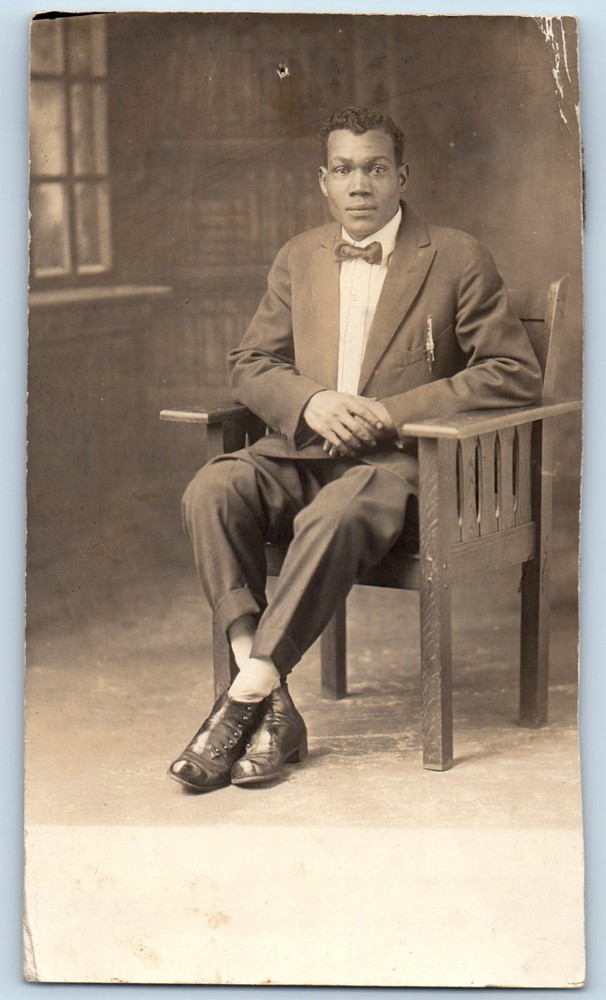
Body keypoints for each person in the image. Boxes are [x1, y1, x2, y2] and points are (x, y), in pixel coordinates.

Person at [168, 105, 542, 792]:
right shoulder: (299, 256)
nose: (359, 184)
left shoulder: (456, 256)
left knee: (339, 509)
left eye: (374, 168)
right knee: (211, 488)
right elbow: (251, 362)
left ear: (402, 176)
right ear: (324, 181)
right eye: (343, 170)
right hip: (301, 454)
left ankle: (241, 702)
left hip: (401, 467)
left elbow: (512, 372)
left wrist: (392, 413)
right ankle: (264, 690)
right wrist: (310, 401)